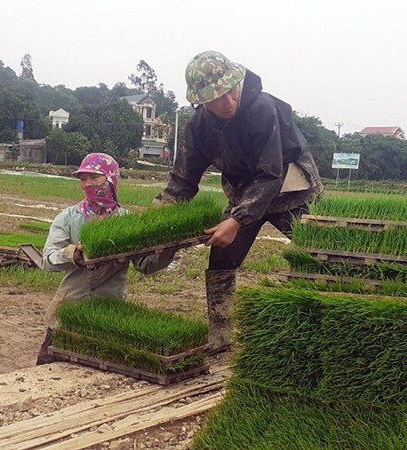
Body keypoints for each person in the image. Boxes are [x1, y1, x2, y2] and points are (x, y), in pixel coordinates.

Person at [154, 50, 324, 353]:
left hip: (289, 188)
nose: (228, 103)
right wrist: (157, 220)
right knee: (221, 257)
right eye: (217, 98)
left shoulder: (261, 108)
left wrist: (235, 220)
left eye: (231, 92)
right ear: (202, 102)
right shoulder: (199, 127)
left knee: (320, 252)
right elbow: (182, 181)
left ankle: (327, 321)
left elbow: (271, 173)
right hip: (244, 190)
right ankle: (220, 330)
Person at [36, 152, 175, 365]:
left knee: (99, 366)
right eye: (83, 179)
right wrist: (73, 254)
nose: (87, 184)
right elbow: (47, 259)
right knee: (49, 364)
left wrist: (170, 244)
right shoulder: (69, 217)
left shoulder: (128, 222)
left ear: (111, 179)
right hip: (69, 308)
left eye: (94, 177)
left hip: (109, 311)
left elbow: (145, 265)